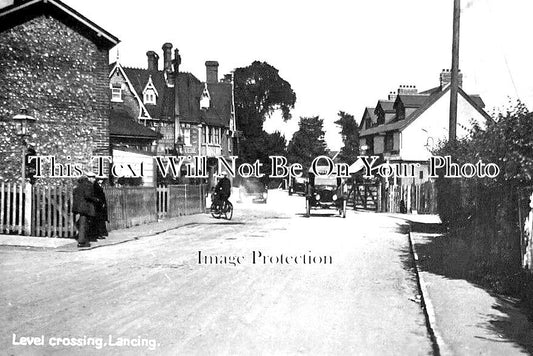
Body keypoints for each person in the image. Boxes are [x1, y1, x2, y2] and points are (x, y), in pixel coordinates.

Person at [72, 172, 99, 248]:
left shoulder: (78, 185)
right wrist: (96, 199)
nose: (94, 180)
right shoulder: (88, 185)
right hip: (85, 208)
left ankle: (82, 239)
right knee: (83, 225)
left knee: (81, 224)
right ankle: (81, 241)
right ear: (89, 178)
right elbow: (88, 196)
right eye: (93, 178)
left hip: (78, 208)